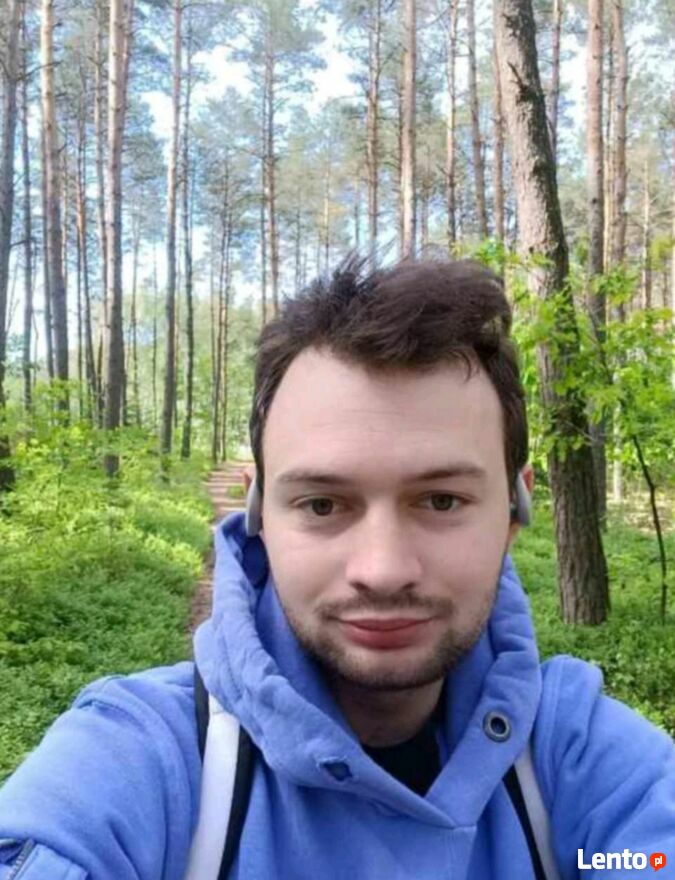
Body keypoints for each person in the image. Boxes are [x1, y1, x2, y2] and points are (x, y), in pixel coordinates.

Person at [0, 257, 673, 880]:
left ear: (515, 511)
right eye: (322, 504)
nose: (382, 570)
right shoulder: (141, 758)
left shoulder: (581, 758)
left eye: (441, 500)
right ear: (260, 514)